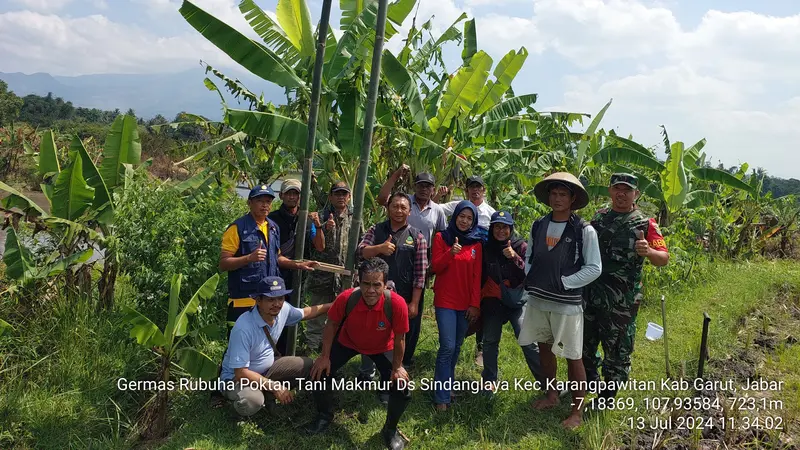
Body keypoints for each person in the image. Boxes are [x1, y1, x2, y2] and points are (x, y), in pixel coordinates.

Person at [517, 172, 602, 429]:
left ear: (573, 198)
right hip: (539, 300)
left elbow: (594, 268)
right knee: (544, 348)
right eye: (553, 193)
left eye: (563, 194)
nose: (557, 198)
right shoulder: (538, 225)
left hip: (567, 304)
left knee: (573, 356)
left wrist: (564, 282)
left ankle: (577, 412)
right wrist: (533, 276)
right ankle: (552, 395)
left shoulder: (583, 231)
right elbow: (530, 257)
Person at [307, 258, 412, 450]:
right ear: (358, 281)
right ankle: (324, 416)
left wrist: (397, 367)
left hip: (382, 347)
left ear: (385, 284)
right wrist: (324, 357)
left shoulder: (397, 304)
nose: (370, 290)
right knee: (318, 373)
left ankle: (390, 429)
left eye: (376, 285)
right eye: (366, 284)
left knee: (402, 386)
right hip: (348, 342)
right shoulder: (347, 298)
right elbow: (331, 324)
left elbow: (400, 338)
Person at [583, 173, 669, 399]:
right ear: (610, 191)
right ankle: (589, 381)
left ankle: (608, 395)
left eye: (627, 190)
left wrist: (648, 251)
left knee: (618, 345)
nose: (621, 194)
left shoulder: (645, 223)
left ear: (636, 194)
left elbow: (663, 258)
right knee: (585, 341)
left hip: (622, 299)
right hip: (591, 293)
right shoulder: (598, 218)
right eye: (617, 189)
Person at [219, 276, 332, 417]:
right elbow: (241, 373)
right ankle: (239, 408)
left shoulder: (282, 309)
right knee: (252, 401)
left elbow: (306, 313)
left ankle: (267, 395)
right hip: (236, 379)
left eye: (280, 298)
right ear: (258, 301)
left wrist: (333, 305)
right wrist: (274, 386)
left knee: (309, 365)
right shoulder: (244, 328)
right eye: (270, 299)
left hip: (267, 370)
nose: (276, 304)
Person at [219, 185, 318, 327]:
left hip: (268, 300)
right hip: (244, 300)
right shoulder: (237, 228)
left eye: (268, 201)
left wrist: (297, 264)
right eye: (260, 201)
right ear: (249, 203)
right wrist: (248, 258)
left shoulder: (273, 227)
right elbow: (223, 263)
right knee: (240, 343)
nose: (265, 205)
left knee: (265, 345)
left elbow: (276, 257)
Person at [377, 167, 446, 369]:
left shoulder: (438, 210)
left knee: (412, 313)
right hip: (393, 258)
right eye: (421, 185)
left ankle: (405, 359)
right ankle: (381, 356)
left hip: (420, 262)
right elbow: (382, 199)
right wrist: (396, 174)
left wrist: (434, 266)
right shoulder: (404, 201)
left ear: (433, 190)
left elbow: (441, 238)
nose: (424, 189)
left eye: (428, 186)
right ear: (414, 186)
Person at [357, 192, 428, 376]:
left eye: (403, 207)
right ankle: (367, 372)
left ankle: (392, 372)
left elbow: (420, 275)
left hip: (402, 296)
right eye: (395, 206)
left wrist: (414, 302)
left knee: (397, 335)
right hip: (374, 293)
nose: (399, 210)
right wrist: (379, 248)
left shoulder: (417, 237)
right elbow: (360, 252)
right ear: (388, 209)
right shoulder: (376, 230)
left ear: (409, 212)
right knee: (369, 331)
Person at [479, 211, 544, 397]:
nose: (501, 231)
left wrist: (514, 257)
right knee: (490, 341)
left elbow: (530, 273)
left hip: (516, 300)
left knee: (528, 341)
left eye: (504, 227)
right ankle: (489, 382)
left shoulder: (520, 246)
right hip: (493, 301)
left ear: (511, 229)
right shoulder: (486, 247)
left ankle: (547, 383)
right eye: (497, 227)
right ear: (492, 228)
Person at [436, 175, 495, 366]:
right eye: (471, 187)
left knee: (480, 303)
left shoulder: (491, 213)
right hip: (457, 262)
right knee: (450, 342)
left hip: (480, 260)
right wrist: (438, 195)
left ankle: (480, 346)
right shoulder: (457, 206)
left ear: (484, 190)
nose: (475, 190)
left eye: (478, 187)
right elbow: (435, 208)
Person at [430, 200, 482, 411]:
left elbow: (476, 277)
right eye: (462, 216)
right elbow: (435, 267)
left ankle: (447, 384)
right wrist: (450, 253)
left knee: (457, 346)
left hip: (465, 303)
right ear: (455, 216)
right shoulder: (442, 237)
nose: (465, 221)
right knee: (447, 347)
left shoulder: (476, 244)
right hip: (445, 300)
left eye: (469, 218)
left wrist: (475, 304)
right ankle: (441, 397)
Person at [267, 179, 325, 355]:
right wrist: (296, 264)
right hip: (276, 275)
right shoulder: (272, 220)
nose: (292, 197)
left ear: (301, 197)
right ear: (281, 195)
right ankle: (271, 352)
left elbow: (320, 246)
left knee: (291, 314)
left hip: (299, 277)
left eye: (296, 194)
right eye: (289, 193)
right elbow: (273, 255)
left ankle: (286, 354)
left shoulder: (307, 220)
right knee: (273, 313)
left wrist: (317, 224)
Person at [304, 181, 357, 351]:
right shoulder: (319, 216)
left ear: (349, 197)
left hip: (345, 276)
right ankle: (312, 349)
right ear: (330, 196)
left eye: (344, 194)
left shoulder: (355, 219)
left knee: (342, 314)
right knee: (317, 315)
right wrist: (325, 228)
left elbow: (361, 244)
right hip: (322, 275)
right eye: (337, 193)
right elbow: (317, 246)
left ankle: (335, 349)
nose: (341, 197)